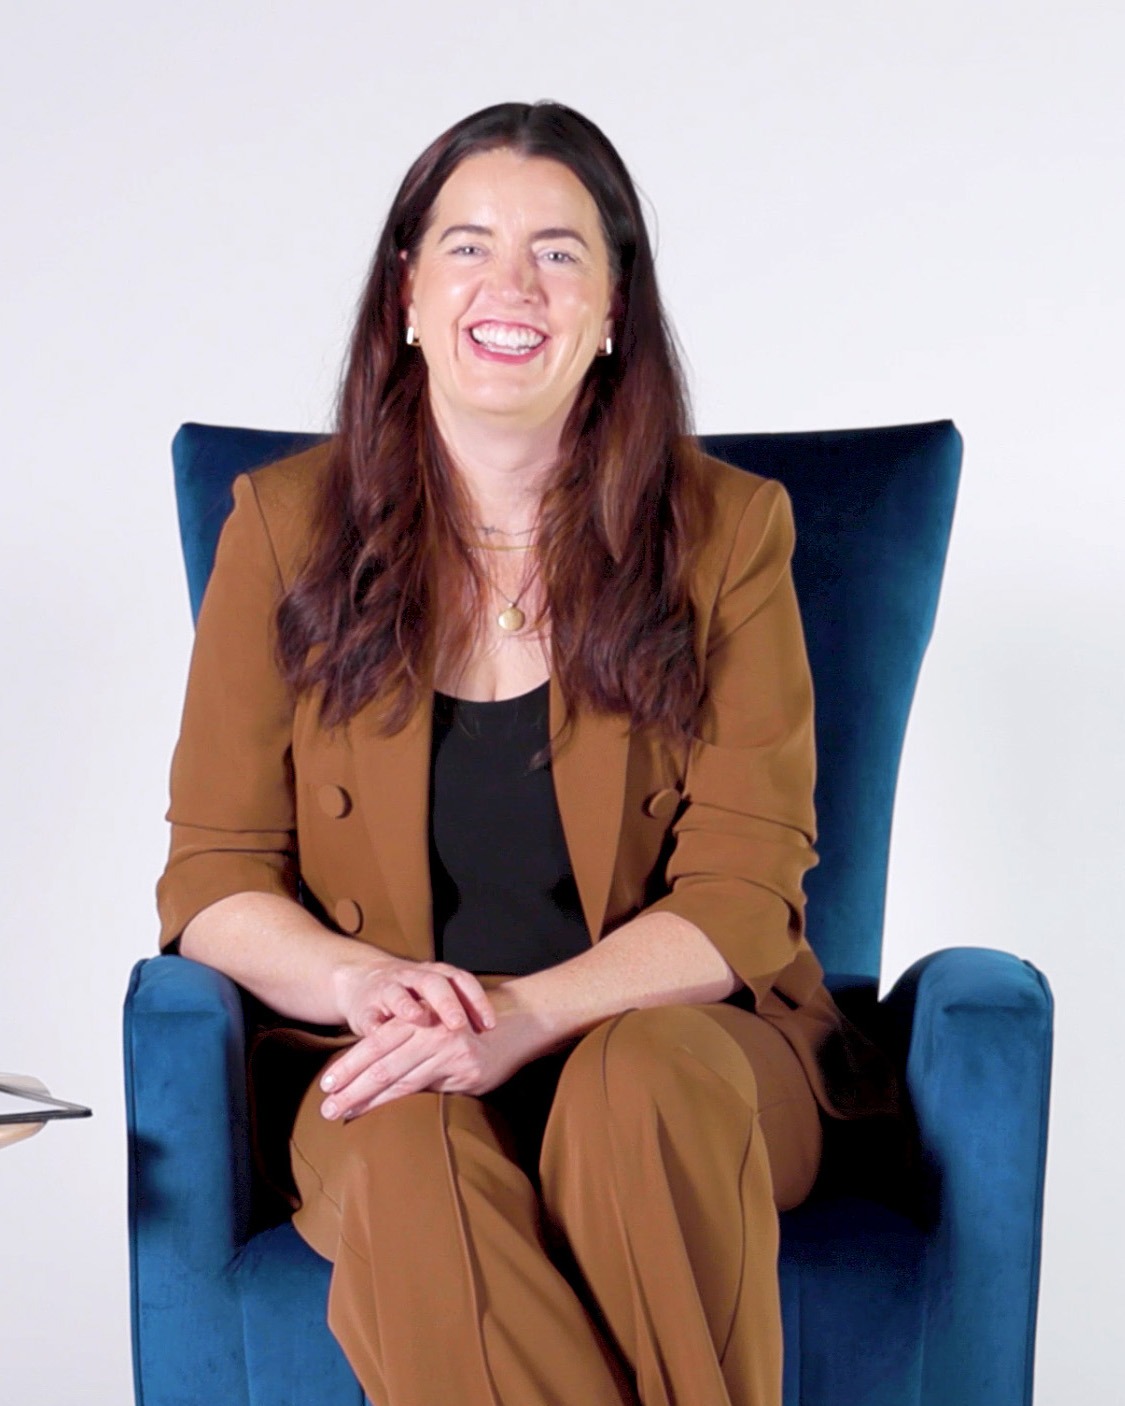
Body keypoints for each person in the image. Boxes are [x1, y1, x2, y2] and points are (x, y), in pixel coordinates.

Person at [157, 100, 901, 1406]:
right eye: (468, 246)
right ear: (405, 292)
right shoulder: (278, 528)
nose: (510, 285)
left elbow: (743, 889)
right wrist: (370, 983)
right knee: (395, 1132)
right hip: (397, 1052)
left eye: (558, 252)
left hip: (691, 1046)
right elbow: (213, 875)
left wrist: (528, 1013)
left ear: (613, 309)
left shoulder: (731, 532)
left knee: (638, 1083)